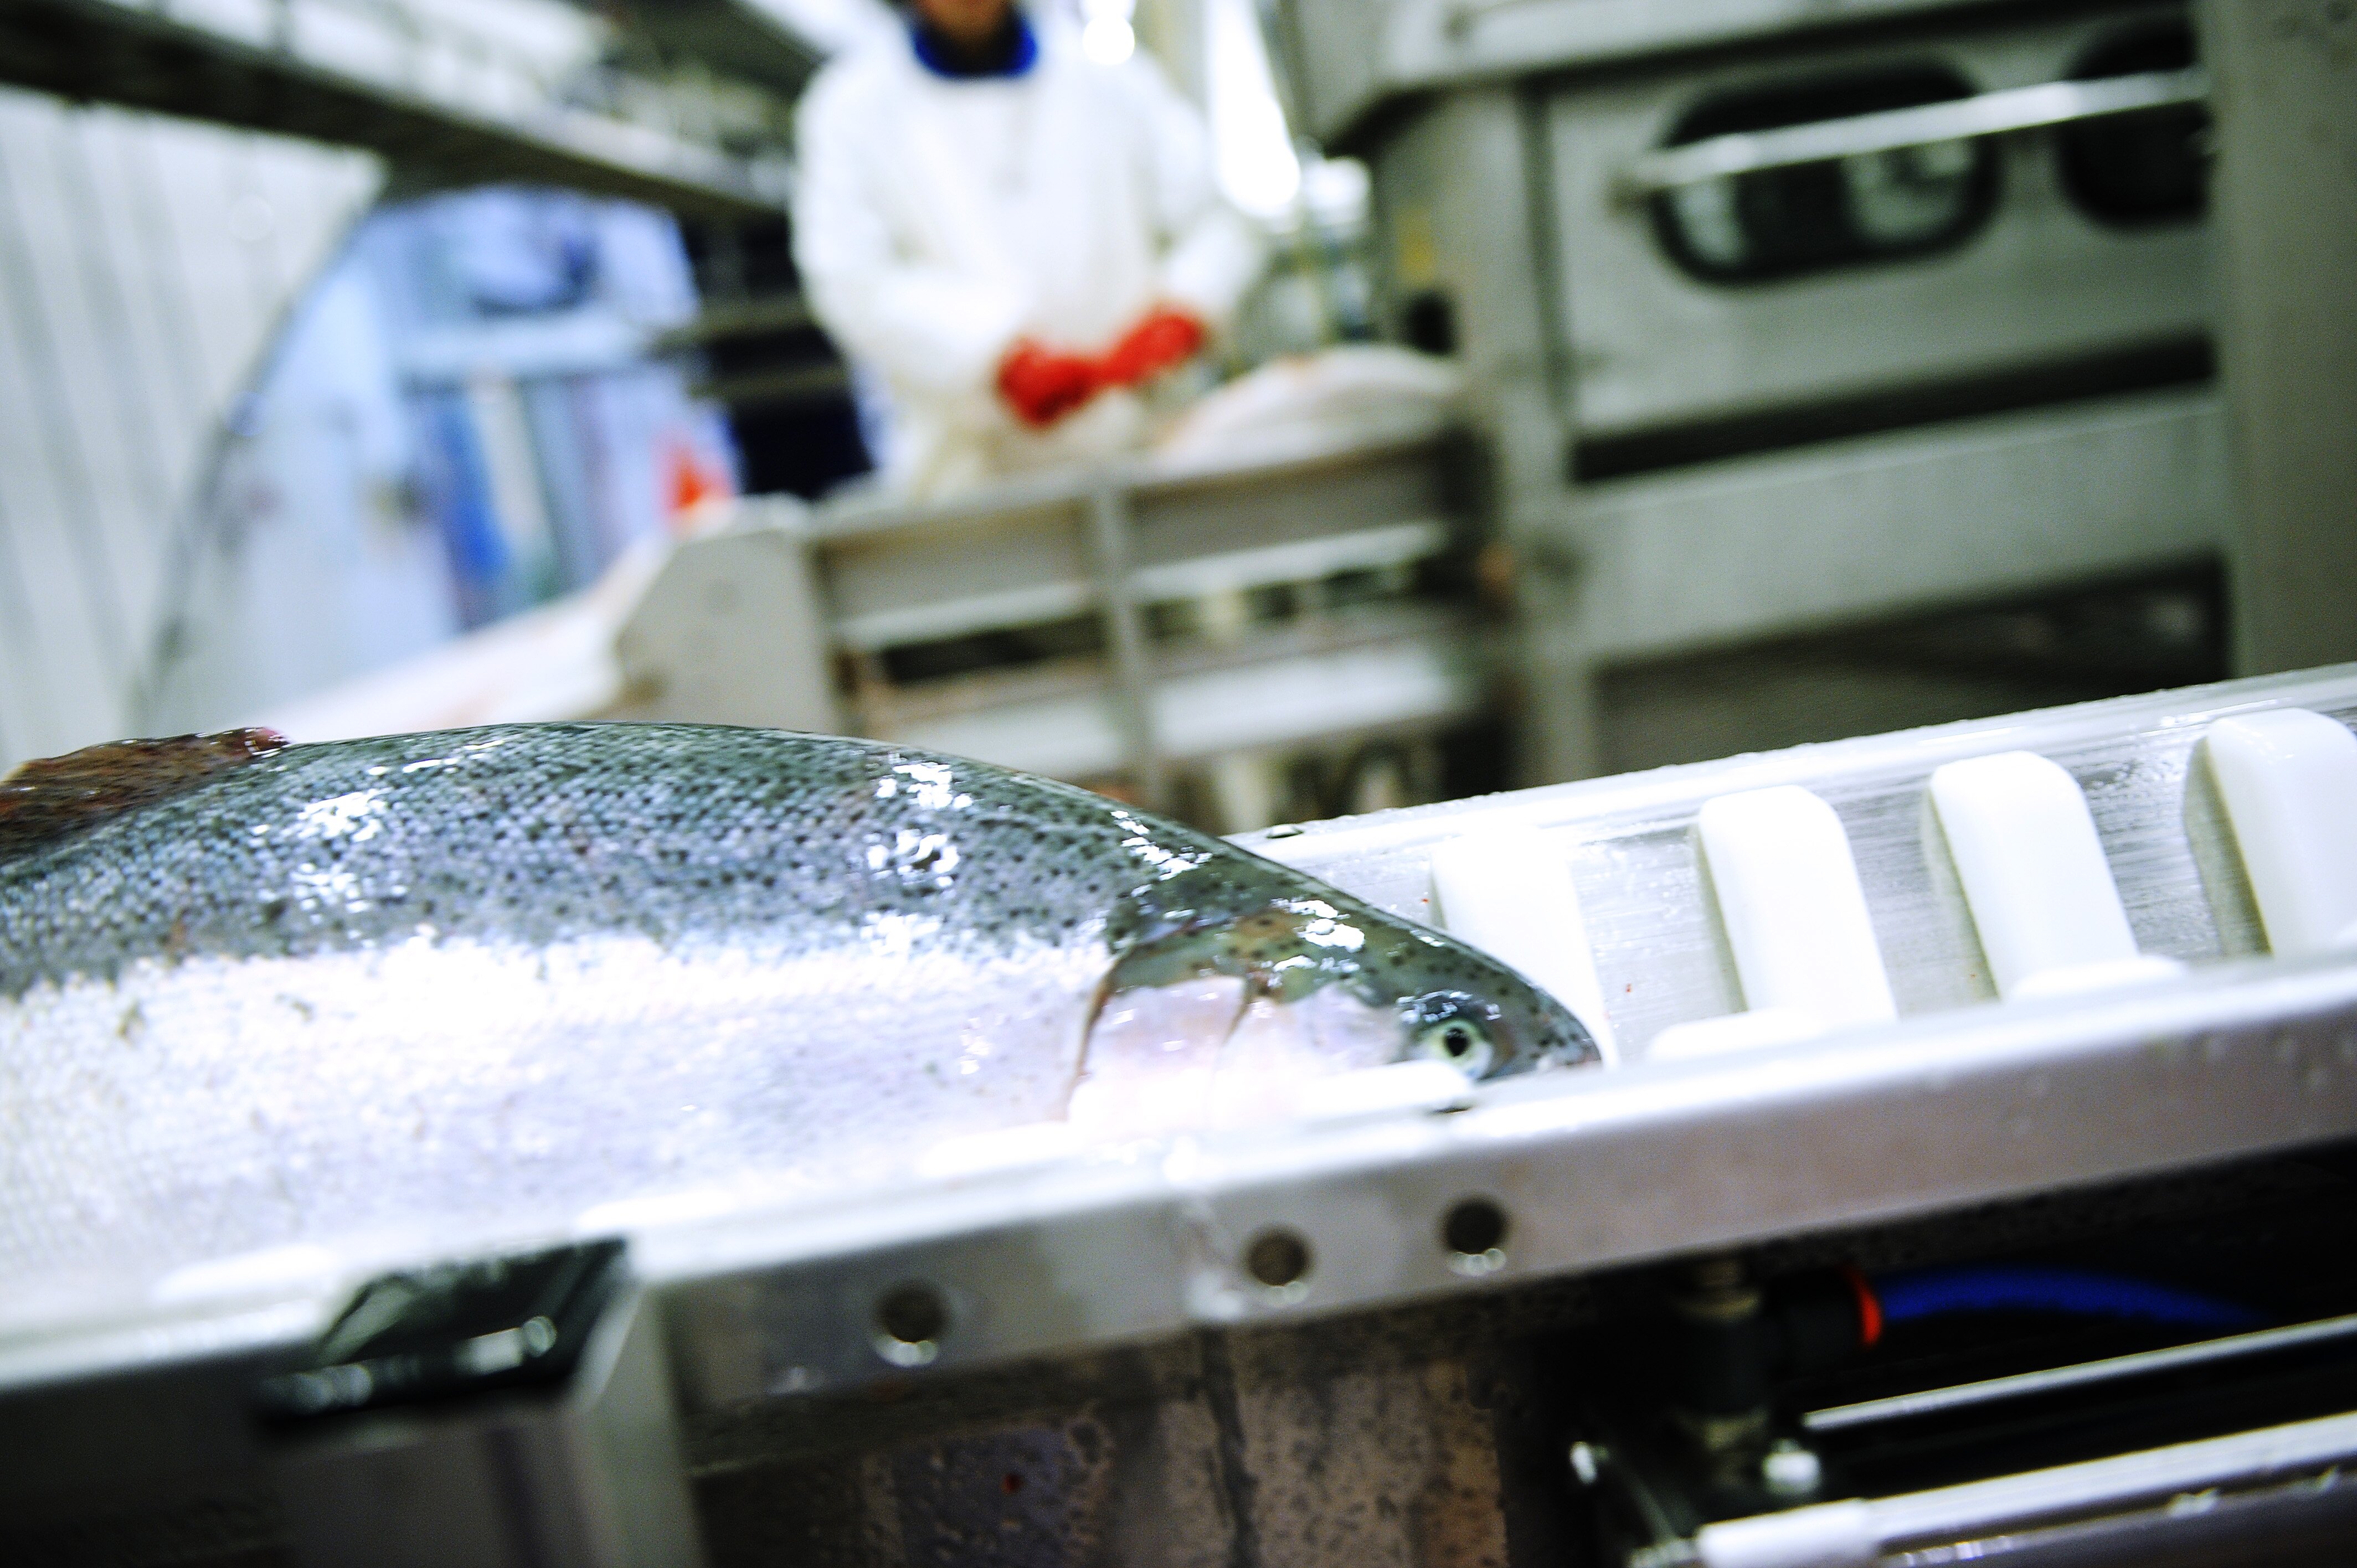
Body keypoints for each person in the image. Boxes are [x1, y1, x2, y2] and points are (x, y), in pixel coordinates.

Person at [792, 0, 1264, 498]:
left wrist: (1184, 309)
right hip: (973, 482)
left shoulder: (1114, 82)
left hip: (1146, 448)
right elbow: (849, 276)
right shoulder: (849, 109)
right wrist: (993, 355)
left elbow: (1216, 222)